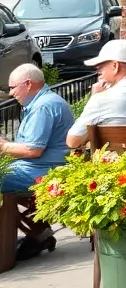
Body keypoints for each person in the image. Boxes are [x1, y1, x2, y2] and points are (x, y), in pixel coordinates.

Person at [0, 64, 73, 257]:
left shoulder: (42, 107)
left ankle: (32, 235)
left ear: (28, 84)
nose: (10, 93)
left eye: (13, 87)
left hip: (43, 171)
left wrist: (2, 147)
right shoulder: (45, 102)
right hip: (44, 167)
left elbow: (33, 150)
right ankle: (38, 233)